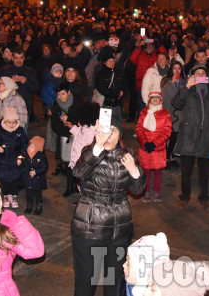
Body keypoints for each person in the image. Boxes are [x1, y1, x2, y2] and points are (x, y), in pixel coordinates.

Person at [71, 116, 146, 296]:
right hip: (89, 229)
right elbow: (78, 171)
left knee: (115, 282)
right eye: (106, 130)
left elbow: (137, 189)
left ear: (120, 133)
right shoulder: (91, 152)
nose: (109, 135)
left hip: (119, 230)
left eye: (113, 130)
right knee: (86, 282)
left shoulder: (128, 156)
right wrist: (97, 146)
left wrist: (134, 170)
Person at [172, 65, 209, 209]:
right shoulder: (188, 91)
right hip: (189, 134)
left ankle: (204, 197)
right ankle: (185, 196)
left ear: (208, 77)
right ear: (192, 76)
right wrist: (187, 86)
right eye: (197, 73)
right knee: (186, 170)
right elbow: (176, 103)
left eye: (203, 73)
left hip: (206, 136)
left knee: (204, 172)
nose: (200, 74)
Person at [136, 92, 172, 202]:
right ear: (149, 101)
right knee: (145, 172)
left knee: (157, 173)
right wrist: (145, 143)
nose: (155, 100)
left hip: (158, 149)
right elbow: (139, 129)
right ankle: (146, 191)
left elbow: (167, 131)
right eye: (153, 98)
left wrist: (155, 143)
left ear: (161, 101)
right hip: (145, 148)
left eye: (157, 98)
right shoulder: (144, 112)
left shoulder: (165, 114)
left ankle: (157, 192)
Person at [0, 108, 27, 209]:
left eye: (14, 122)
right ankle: (6, 196)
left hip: (16, 160)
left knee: (15, 180)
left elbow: (24, 145)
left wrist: (22, 157)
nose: (11, 125)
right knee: (4, 180)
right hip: (3, 161)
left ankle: (14, 196)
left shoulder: (20, 131)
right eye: (9, 122)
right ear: (4, 121)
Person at [49, 82, 79, 197]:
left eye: (63, 94)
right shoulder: (56, 106)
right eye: (59, 94)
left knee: (77, 162)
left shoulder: (77, 103)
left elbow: (82, 121)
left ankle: (77, 185)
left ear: (69, 92)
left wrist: (70, 120)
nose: (61, 97)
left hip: (77, 137)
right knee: (67, 162)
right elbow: (54, 125)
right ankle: (69, 185)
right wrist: (65, 133)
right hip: (64, 138)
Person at [0, 48, 40, 121]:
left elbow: (36, 89)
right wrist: (11, 81)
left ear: (24, 58)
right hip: (8, 108)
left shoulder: (30, 71)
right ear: (12, 58)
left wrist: (26, 82)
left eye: (21, 58)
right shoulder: (4, 70)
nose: (19, 60)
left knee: (23, 131)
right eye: (16, 58)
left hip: (24, 109)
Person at [160, 61, 185, 169]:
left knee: (176, 137)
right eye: (174, 68)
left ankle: (171, 156)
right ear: (171, 70)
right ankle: (165, 157)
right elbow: (165, 102)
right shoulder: (167, 84)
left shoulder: (184, 83)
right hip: (169, 114)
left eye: (179, 68)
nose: (177, 71)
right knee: (168, 137)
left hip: (180, 115)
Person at [22, 136, 48, 215]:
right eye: (29, 146)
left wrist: (36, 172)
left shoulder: (41, 157)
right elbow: (24, 165)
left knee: (38, 194)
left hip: (38, 180)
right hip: (28, 179)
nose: (29, 148)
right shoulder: (25, 155)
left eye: (32, 147)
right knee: (28, 194)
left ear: (37, 149)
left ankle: (39, 207)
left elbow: (44, 167)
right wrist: (20, 163)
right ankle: (29, 206)